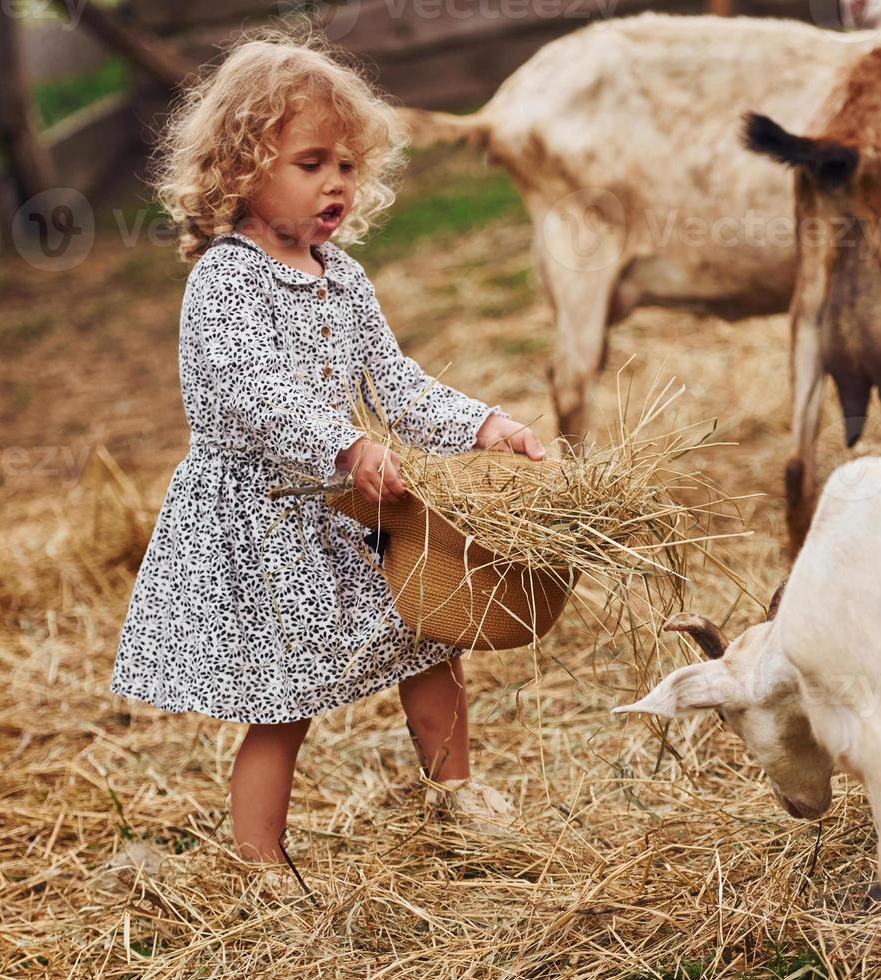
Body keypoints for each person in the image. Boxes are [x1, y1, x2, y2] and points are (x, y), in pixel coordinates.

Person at [111, 28, 545, 864]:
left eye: (347, 165)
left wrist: (482, 424)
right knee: (284, 702)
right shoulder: (227, 280)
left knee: (432, 639)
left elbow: (393, 382)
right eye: (311, 163)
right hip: (267, 522)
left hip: (348, 510)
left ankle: (457, 799)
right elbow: (256, 396)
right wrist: (345, 447)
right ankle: (260, 860)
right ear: (243, 168)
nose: (335, 183)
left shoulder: (338, 273)